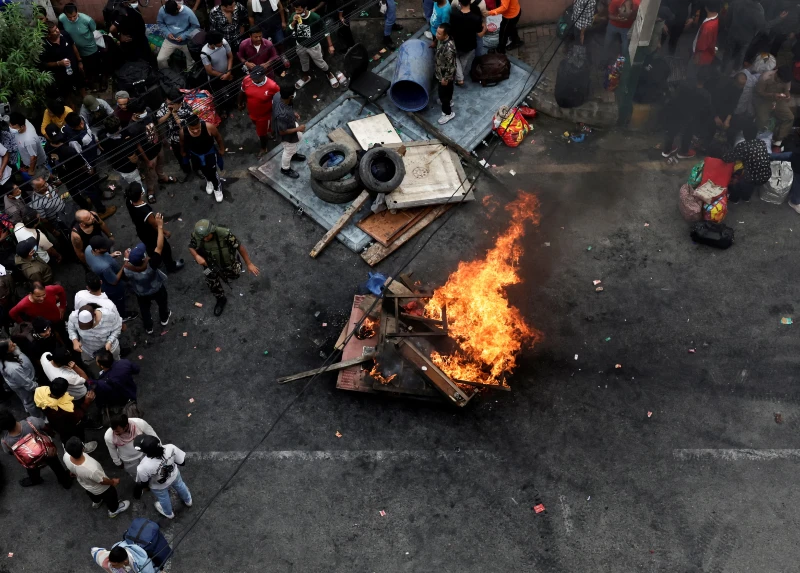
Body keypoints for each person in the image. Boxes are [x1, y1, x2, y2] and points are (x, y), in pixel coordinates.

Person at [189, 219, 260, 315]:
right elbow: (191, 246)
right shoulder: (197, 236)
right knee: (210, 279)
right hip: (209, 265)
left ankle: (237, 263)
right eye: (203, 237)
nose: (204, 239)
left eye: (206, 236)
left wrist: (249, 263)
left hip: (227, 263)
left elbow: (239, 247)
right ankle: (220, 299)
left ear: (212, 231)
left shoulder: (224, 234)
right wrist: (196, 256)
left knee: (235, 274)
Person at [46, 129, 113, 217]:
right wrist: (89, 170)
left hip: (64, 175)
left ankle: (85, 206)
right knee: (90, 190)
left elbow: (50, 162)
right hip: (78, 173)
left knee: (74, 192)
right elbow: (81, 164)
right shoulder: (68, 150)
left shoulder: (47, 147)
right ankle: (102, 210)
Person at [0, 409, 73, 488]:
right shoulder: (31, 421)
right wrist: (51, 434)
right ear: (13, 416)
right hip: (47, 452)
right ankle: (65, 481)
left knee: (32, 470)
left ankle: (35, 480)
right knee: (56, 465)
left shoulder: (5, 441)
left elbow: (10, 452)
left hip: (30, 459)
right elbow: (46, 428)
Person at [64, 436, 131, 518]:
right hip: (101, 488)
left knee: (91, 492)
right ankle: (114, 510)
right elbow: (102, 481)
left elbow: (71, 470)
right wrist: (113, 482)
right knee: (111, 496)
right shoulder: (91, 469)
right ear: (83, 448)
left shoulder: (66, 456)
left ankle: (97, 502)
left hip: (85, 484)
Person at [124, 227, 173, 335]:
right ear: (143, 257)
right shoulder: (152, 264)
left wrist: (126, 259)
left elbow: (125, 271)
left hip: (141, 293)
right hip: (157, 289)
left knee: (145, 310)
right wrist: (160, 227)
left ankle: (149, 327)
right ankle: (164, 318)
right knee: (162, 303)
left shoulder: (127, 270)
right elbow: (159, 246)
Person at [127, 100, 176, 204]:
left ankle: (163, 178)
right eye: (141, 112)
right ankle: (151, 191)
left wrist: (164, 141)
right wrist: (147, 160)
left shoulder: (148, 111)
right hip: (148, 155)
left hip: (158, 147)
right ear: (134, 113)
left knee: (160, 166)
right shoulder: (132, 127)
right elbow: (138, 146)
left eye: (144, 110)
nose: (144, 112)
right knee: (150, 175)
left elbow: (157, 126)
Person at [125, 184, 184, 271]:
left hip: (141, 231)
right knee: (165, 248)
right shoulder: (145, 211)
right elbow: (155, 225)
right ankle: (171, 266)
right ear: (141, 194)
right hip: (151, 233)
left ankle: (156, 261)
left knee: (150, 247)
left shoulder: (128, 201)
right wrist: (165, 232)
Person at [134, 435, 192, 519]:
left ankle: (169, 513)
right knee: (180, 486)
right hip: (174, 475)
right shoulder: (170, 447)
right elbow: (182, 462)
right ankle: (188, 500)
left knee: (163, 498)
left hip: (158, 485)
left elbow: (144, 482)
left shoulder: (142, 467)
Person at [288, 0, 341, 90]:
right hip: (300, 45)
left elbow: (325, 30)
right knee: (303, 62)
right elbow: (288, 30)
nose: (297, 12)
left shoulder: (314, 17)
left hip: (313, 45)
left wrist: (330, 45)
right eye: (296, 10)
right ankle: (306, 77)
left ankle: (329, 74)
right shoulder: (294, 16)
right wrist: (294, 22)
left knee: (319, 62)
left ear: (305, 8)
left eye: (299, 10)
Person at [85, 236, 138, 321]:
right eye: (104, 247)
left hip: (103, 276)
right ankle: (123, 316)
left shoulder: (88, 249)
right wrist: (125, 262)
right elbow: (114, 281)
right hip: (113, 287)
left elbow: (98, 258)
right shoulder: (104, 267)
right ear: (97, 250)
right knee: (119, 301)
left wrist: (111, 256)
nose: (107, 248)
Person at [34, 378, 97, 449]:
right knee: (76, 435)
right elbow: (78, 416)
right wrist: (86, 402)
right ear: (63, 393)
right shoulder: (64, 409)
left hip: (54, 423)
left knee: (63, 434)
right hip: (68, 425)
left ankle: (67, 445)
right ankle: (82, 447)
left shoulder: (41, 391)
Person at [661, 74, 711, 159]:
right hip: (690, 116)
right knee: (688, 132)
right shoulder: (705, 94)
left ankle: (666, 150)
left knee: (671, 131)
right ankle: (683, 152)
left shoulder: (684, 85)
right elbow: (705, 109)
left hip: (675, 111)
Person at [59, 4, 105, 92]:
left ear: (77, 13)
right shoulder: (62, 18)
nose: (72, 19)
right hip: (75, 49)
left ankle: (97, 82)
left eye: (74, 16)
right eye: (69, 17)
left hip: (90, 48)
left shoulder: (87, 20)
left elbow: (93, 29)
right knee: (82, 68)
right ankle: (87, 83)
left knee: (93, 67)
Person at [180, 115, 226, 203]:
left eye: (197, 128)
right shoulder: (183, 132)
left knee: (212, 171)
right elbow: (182, 142)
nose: (196, 130)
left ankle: (217, 187)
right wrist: (183, 152)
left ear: (200, 123)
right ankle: (208, 181)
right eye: (192, 129)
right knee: (202, 169)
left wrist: (222, 149)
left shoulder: (209, 127)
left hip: (209, 154)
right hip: (195, 155)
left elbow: (218, 138)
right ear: (188, 126)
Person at [723, 121, 771, 202]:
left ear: (744, 134)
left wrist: (722, 155)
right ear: (756, 134)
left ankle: (734, 199)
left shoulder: (743, 146)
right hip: (766, 174)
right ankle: (746, 198)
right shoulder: (762, 143)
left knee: (740, 180)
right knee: (751, 179)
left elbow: (729, 158)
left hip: (751, 177)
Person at [238, 66, 280, 157]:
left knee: (261, 134)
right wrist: (240, 104)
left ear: (263, 76)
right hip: (252, 112)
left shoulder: (272, 86)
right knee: (258, 127)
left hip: (264, 115)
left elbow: (280, 99)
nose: (253, 80)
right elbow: (242, 92)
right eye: (252, 77)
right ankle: (269, 131)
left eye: (256, 79)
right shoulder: (247, 79)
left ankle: (263, 148)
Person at [155, 90, 195, 183]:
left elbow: (183, 127)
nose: (168, 105)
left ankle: (197, 169)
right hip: (174, 139)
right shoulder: (165, 106)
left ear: (179, 103)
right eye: (167, 102)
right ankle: (187, 171)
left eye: (171, 104)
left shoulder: (187, 108)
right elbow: (158, 121)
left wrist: (175, 114)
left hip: (188, 137)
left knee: (193, 154)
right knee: (181, 157)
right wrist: (168, 113)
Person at [41, 20, 86, 100]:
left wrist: (79, 61)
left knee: (81, 83)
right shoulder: (44, 46)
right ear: (48, 35)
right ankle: (71, 106)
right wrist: (58, 63)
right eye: (54, 31)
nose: (57, 31)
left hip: (74, 67)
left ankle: (84, 98)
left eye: (56, 28)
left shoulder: (64, 34)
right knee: (66, 91)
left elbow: (73, 46)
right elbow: (45, 64)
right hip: (61, 74)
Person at [0, 340, 42, 417]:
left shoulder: (10, 354)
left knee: (24, 398)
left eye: (13, 342)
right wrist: (35, 386)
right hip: (23, 386)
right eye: (11, 345)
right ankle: (38, 417)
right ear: (6, 351)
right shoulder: (12, 368)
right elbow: (24, 382)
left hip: (23, 379)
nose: (15, 344)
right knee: (29, 402)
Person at [754, 65, 793, 147]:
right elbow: (759, 93)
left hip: (778, 100)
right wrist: (772, 95)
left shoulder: (786, 79)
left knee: (789, 117)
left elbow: (787, 90)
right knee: (763, 120)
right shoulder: (765, 78)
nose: (783, 83)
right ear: (777, 76)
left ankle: (778, 139)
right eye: (781, 81)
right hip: (765, 100)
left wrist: (787, 96)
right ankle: (758, 138)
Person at [273, 84, 306, 178]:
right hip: (286, 134)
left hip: (289, 122)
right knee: (288, 151)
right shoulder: (282, 114)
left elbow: (287, 108)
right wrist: (298, 129)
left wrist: (293, 113)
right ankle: (285, 169)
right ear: (291, 96)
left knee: (297, 139)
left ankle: (294, 155)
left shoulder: (278, 95)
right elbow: (282, 132)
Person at [449, 0, 485, 86]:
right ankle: (460, 77)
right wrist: (485, 27)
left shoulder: (454, 15)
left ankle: (460, 77)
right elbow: (479, 32)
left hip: (457, 43)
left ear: (459, 2)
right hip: (469, 45)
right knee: (464, 59)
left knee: (456, 58)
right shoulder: (476, 18)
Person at [201, 31, 236, 118]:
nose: (221, 42)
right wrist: (224, 75)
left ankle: (233, 103)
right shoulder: (205, 53)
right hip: (216, 77)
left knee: (232, 88)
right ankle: (223, 109)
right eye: (219, 42)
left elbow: (230, 57)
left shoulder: (223, 42)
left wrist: (228, 72)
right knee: (219, 94)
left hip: (228, 71)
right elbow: (209, 71)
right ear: (212, 44)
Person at [157, 0, 200, 70]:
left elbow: (195, 26)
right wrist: (167, 33)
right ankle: (165, 73)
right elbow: (161, 23)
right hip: (170, 40)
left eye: (174, 13)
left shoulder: (188, 12)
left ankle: (190, 74)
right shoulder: (162, 10)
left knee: (191, 61)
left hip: (186, 42)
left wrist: (184, 36)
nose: (172, 16)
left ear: (178, 7)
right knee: (160, 59)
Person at [103, 116, 142, 188]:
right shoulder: (124, 144)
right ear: (118, 128)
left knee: (125, 185)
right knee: (137, 185)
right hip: (129, 170)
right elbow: (134, 159)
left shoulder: (102, 136)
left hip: (116, 168)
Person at [8, 112, 47, 179]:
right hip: (26, 159)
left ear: (22, 126)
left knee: (42, 179)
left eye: (13, 127)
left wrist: (31, 171)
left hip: (37, 165)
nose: (11, 128)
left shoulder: (29, 140)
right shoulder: (23, 122)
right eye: (10, 125)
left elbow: (34, 157)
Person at [249, 0, 287, 64]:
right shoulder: (251, 2)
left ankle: (282, 55)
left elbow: (280, 8)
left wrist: (283, 21)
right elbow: (251, 17)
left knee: (280, 41)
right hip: (261, 29)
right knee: (263, 46)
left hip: (276, 25)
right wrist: (254, 30)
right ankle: (268, 60)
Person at [433, 23, 457, 125]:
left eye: (439, 33)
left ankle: (448, 113)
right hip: (441, 71)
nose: (437, 35)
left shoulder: (449, 48)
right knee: (448, 90)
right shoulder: (441, 40)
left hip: (445, 75)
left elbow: (451, 66)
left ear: (446, 35)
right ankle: (450, 101)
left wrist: (445, 79)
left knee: (443, 94)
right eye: (437, 32)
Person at [689, 0, 719, 78]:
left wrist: (696, 58)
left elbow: (701, 46)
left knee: (693, 73)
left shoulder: (708, 27)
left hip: (701, 57)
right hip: (708, 54)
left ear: (706, 8)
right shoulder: (715, 19)